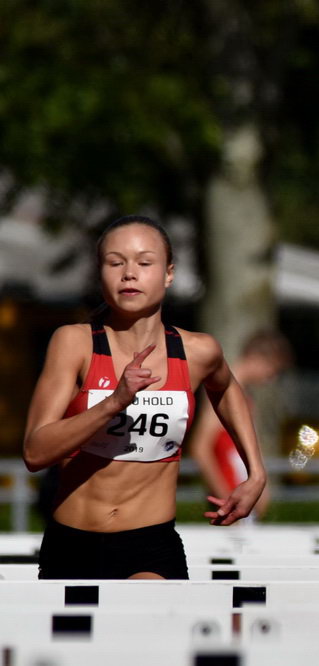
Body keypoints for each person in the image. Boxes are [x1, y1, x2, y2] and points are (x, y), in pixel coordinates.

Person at [22, 216, 267, 579]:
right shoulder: (74, 343)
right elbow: (34, 452)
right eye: (115, 262)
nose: (129, 274)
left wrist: (255, 473)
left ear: (169, 274)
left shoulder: (197, 351)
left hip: (149, 546)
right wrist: (112, 403)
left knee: (150, 629)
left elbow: (228, 389)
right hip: (72, 543)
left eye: (144, 262)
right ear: (100, 272)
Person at [188, 329, 292, 522]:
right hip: (231, 499)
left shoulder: (245, 395)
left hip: (240, 500)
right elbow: (200, 448)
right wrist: (225, 499)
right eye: (274, 370)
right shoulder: (223, 393)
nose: (272, 378)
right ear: (259, 358)